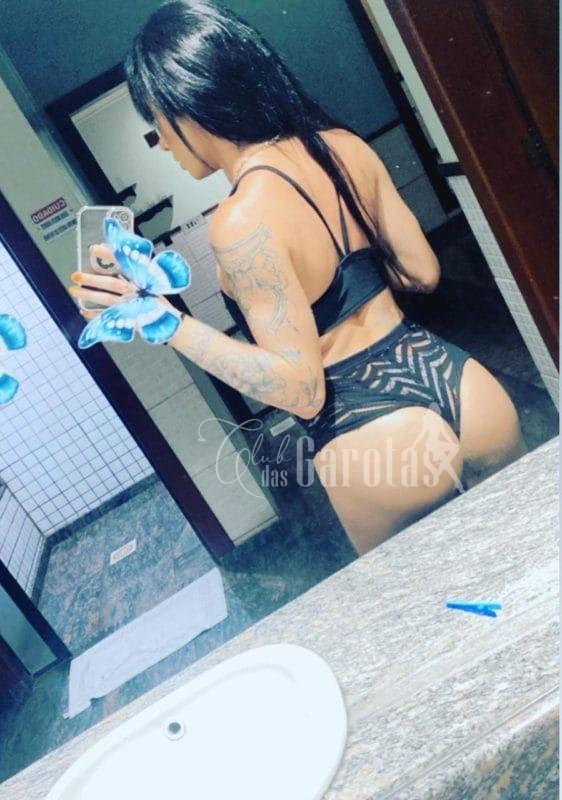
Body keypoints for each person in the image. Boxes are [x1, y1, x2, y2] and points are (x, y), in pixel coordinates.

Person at [68, 0, 527, 555]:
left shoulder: (241, 219)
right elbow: (422, 271)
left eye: (157, 124)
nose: (162, 143)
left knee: (424, 602)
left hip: (371, 433)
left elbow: (300, 391)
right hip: (463, 386)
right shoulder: (344, 147)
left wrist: (168, 324)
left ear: (185, 104)